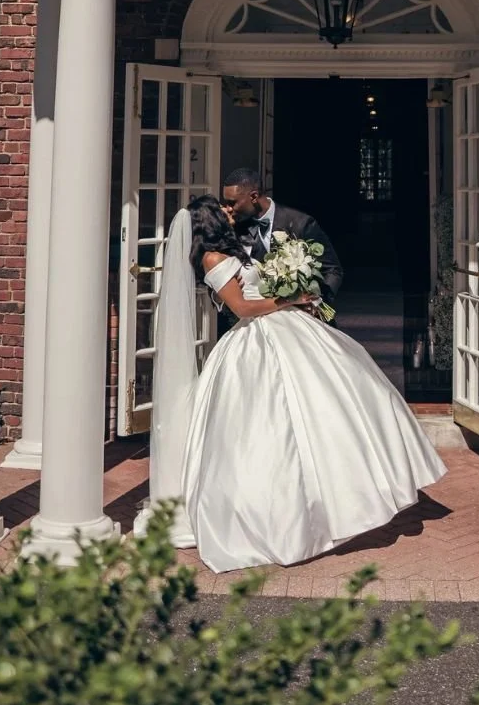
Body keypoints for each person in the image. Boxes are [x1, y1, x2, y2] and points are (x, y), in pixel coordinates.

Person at [140, 194, 444, 573]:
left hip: (284, 329)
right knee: (271, 427)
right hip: (256, 340)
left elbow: (257, 293)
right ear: (208, 222)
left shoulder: (230, 249)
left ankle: (350, 491)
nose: (229, 212)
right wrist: (290, 300)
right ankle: (279, 513)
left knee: (339, 397)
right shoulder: (212, 259)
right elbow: (243, 308)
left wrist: (293, 297)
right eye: (222, 211)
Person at [221, 167, 344, 305]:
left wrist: (317, 302)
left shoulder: (301, 223)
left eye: (232, 203)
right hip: (254, 316)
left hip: (299, 314)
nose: (228, 208)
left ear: (254, 197)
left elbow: (333, 270)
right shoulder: (233, 228)